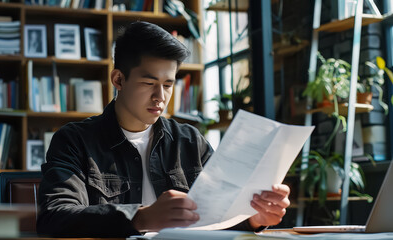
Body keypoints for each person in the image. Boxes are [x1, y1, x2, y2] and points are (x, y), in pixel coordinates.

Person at [36, 21, 290, 238]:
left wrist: (255, 217)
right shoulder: (74, 140)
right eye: (149, 82)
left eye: (168, 85)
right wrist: (140, 218)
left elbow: (219, 215)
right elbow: (54, 217)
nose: (160, 96)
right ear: (119, 80)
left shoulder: (190, 140)